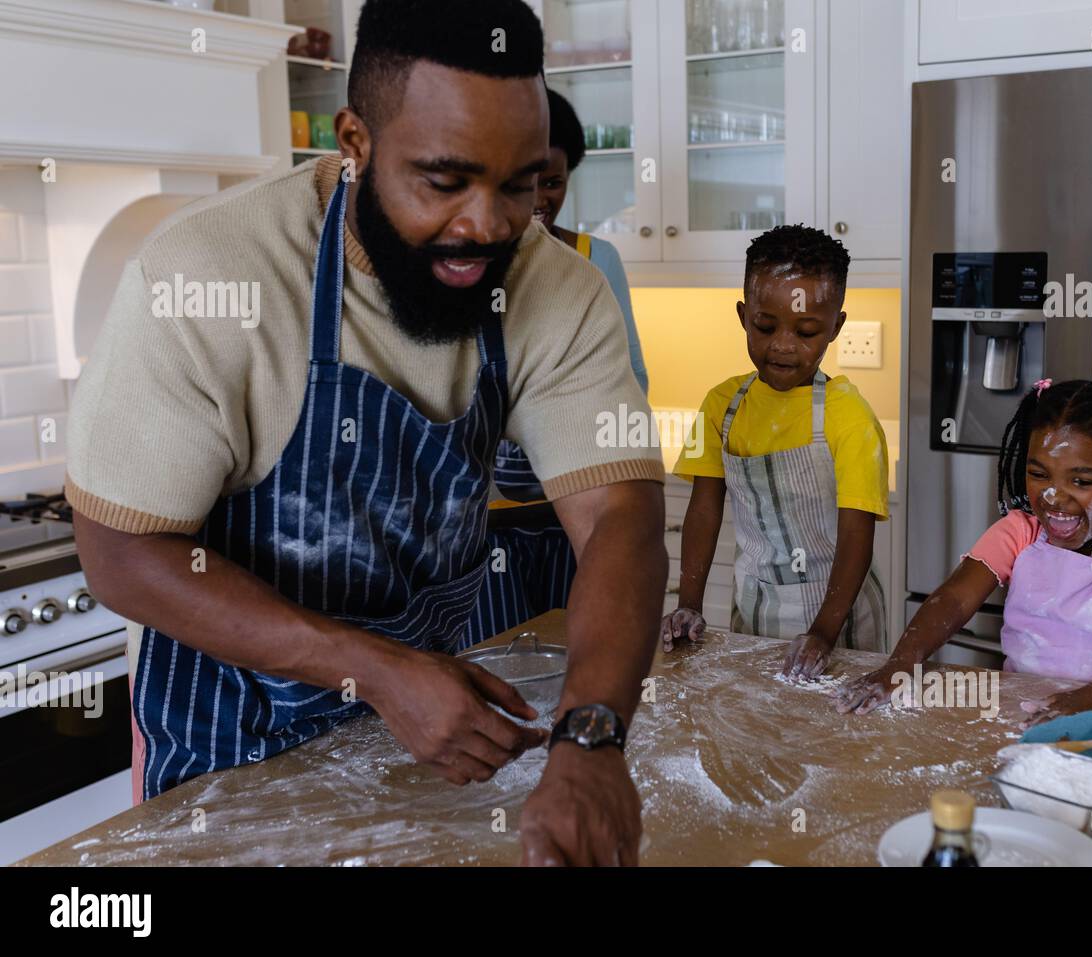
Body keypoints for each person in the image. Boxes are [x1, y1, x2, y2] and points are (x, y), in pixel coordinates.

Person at [66, 0, 666, 867]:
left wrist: (592, 735)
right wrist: (377, 671)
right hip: (230, 762)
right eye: (445, 180)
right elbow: (120, 554)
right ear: (354, 142)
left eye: (520, 182)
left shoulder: (556, 288)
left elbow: (619, 516)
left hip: (428, 751)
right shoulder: (207, 277)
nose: (488, 225)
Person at [835, 379, 1092, 725]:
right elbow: (954, 599)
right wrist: (902, 664)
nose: (1052, 497)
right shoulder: (1021, 530)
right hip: (1024, 716)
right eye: (1038, 474)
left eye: (1081, 481)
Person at [661, 225, 891, 679]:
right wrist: (689, 603)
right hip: (755, 606)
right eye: (766, 326)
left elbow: (856, 536)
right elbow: (704, 508)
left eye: (806, 331)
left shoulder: (850, 417)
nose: (783, 345)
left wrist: (823, 633)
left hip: (839, 613)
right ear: (744, 316)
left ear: (835, 327)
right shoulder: (722, 405)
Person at [464, 87, 649, 647]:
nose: (540, 196)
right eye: (526, 180)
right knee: (500, 667)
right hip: (484, 525)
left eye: (554, 180)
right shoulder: (464, 262)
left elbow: (632, 377)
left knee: (583, 654)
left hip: (576, 512)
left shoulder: (596, 261)